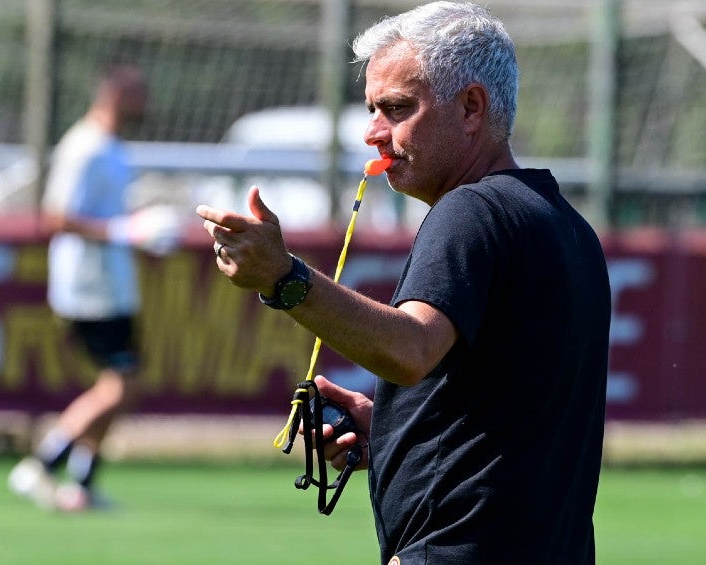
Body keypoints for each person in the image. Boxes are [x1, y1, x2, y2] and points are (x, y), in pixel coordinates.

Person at [196, 2, 610, 563]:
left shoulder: (471, 210)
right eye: (372, 109)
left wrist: (283, 277)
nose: (373, 132)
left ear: (470, 107)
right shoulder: (566, 224)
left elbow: (410, 349)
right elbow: (514, 412)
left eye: (395, 108)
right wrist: (392, 428)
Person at [8, 64, 164, 512]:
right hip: (87, 287)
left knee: (119, 384)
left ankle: (82, 485)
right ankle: (42, 462)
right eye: (137, 93)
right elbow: (56, 217)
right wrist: (124, 232)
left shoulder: (113, 148)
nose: (145, 102)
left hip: (113, 285)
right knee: (122, 386)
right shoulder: (85, 147)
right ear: (115, 95)